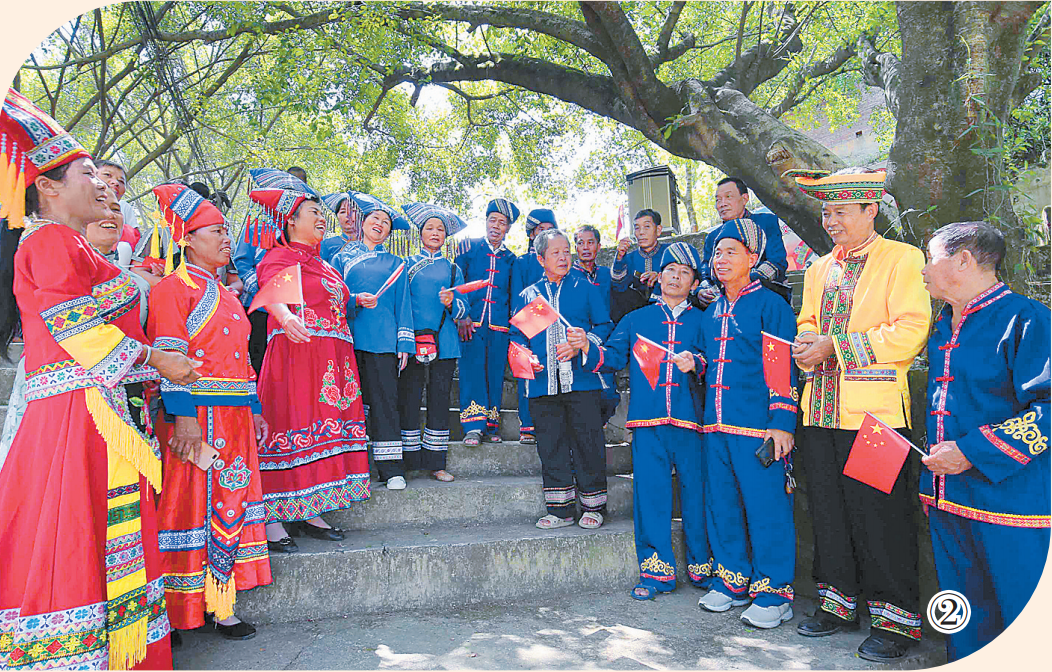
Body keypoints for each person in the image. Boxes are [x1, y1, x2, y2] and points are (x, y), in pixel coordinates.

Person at [0, 90, 200, 670]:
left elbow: (111, 297)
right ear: (49, 188)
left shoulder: (72, 246)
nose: (105, 184)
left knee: (94, 536)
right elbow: (77, 332)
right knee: (75, 535)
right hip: (72, 418)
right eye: (90, 173)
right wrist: (158, 361)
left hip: (91, 410)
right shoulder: (51, 241)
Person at [786, 167, 931, 661]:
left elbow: (911, 330)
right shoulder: (818, 267)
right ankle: (837, 603)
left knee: (882, 515)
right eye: (826, 212)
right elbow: (807, 317)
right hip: (820, 412)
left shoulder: (902, 259)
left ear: (871, 210)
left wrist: (837, 346)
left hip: (876, 416)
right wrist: (808, 339)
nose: (830, 221)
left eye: (841, 211)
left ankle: (897, 622)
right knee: (827, 511)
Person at [918, 221, 1050, 662]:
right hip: (947, 498)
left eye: (929, 258)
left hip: (1011, 505)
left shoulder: (1027, 318)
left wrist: (972, 452)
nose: (924, 271)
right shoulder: (944, 324)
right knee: (960, 615)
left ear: (963, 260)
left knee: (1022, 617)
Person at [146, 184, 271, 640]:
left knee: (231, 504)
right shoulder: (171, 290)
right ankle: (176, 610)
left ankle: (222, 603)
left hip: (235, 420)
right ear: (188, 238)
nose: (225, 239)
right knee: (184, 508)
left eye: (225, 230)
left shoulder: (230, 295)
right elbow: (168, 356)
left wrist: (255, 408)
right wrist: (183, 417)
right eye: (216, 231)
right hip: (196, 418)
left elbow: (244, 361)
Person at [578, 242, 709, 599]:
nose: (675, 277)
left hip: (692, 423)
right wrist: (586, 348)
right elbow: (612, 356)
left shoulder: (705, 320)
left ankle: (703, 569)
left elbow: (716, 362)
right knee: (651, 497)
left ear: (694, 282)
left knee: (697, 496)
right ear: (659, 276)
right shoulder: (636, 319)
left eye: (684, 273)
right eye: (670, 271)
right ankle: (656, 573)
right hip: (648, 424)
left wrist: (697, 363)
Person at [248, 187, 369, 553]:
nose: (322, 218)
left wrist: (355, 299)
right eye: (313, 211)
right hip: (297, 355)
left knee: (321, 429)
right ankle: (272, 518)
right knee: (289, 424)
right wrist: (284, 316)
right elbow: (273, 295)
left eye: (321, 212)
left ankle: (311, 509)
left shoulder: (325, 264)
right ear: (290, 220)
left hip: (333, 361)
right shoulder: (281, 257)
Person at [695, 219, 798, 630]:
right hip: (715, 427)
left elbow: (781, 371)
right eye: (717, 253)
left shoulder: (771, 306)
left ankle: (775, 592)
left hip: (759, 430)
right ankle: (733, 578)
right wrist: (695, 362)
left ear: (753, 259)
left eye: (731, 252)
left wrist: (782, 423)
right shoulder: (712, 309)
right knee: (722, 504)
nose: (721, 260)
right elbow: (706, 358)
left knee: (767, 508)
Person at [510, 229, 613, 529]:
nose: (564, 257)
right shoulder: (532, 296)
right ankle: (561, 510)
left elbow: (604, 326)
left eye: (566, 251)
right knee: (551, 445)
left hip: (582, 382)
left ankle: (594, 507)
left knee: (588, 442)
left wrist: (583, 344)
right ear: (541, 258)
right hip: (542, 386)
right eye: (556, 253)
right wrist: (527, 359)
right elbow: (518, 339)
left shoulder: (585, 288)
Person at [332, 193, 415, 490]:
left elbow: (404, 305)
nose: (379, 224)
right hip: (348, 341)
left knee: (385, 404)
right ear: (362, 222)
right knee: (349, 405)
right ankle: (348, 468)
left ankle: (391, 469)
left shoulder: (397, 263)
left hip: (383, 341)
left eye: (386, 223)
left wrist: (404, 344)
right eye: (375, 219)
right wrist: (353, 300)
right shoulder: (340, 258)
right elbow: (333, 297)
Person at [398, 203, 469, 482]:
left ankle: (437, 463)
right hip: (413, 341)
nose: (435, 232)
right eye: (430, 227)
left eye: (440, 229)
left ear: (446, 236)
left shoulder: (453, 269)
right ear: (420, 232)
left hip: (446, 342)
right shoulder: (405, 265)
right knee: (410, 398)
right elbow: (400, 303)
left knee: (440, 401)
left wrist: (454, 303)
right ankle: (409, 460)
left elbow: (465, 309)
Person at [454, 198, 519, 446]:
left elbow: (514, 292)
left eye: (502, 223)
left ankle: (491, 425)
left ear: (507, 229)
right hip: (471, 323)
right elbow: (457, 283)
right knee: (472, 372)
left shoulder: (511, 259)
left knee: (494, 374)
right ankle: (473, 426)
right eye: (492, 220)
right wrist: (462, 314)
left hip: (500, 326)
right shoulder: (469, 249)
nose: (496, 226)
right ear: (485, 222)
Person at [696, 177, 788, 307]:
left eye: (728, 197)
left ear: (744, 199)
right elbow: (706, 271)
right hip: (725, 302)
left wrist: (743, 283)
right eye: (718, 200)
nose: (722, 204)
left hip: (764, 297)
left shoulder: (766, 222)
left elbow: (777, 262)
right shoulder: (712, 237)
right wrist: (702, 291)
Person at [512, 208, 557, 445]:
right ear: (531, 234)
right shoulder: (522, 262)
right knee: (529, 369)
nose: (545, 234)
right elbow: (518, 295)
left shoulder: (560, 260)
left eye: (550, 230)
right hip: (531, 320)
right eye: (541, 230)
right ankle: (527, 425)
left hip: (557, 321)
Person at [571, 224, 619, 426]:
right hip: (573, 342)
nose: (585, 247)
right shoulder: (567, 276)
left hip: (603, 341)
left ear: (599, 246)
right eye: (580, 243)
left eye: (590, 242)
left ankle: (599, 425)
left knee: (608, 394)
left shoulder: (608, 275)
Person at [611, 208, 669, 320]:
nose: (641, 232)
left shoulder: (670, 252)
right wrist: (619, 258)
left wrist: (661, 277)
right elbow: (618, 287)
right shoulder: (629, 258)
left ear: (658, 230)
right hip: (637, 314)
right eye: (637, 228)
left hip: (667, 312)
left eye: (647, 226)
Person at [97, 159, 141, 249]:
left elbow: (136, 237)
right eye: (107, 175)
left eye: (121, 181)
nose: (116, 183)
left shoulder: (124, 206)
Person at [320, 192, 362, 265]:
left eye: (353, 211)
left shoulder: (369, 244)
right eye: (343, 212)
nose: (348, 215)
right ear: (337, 217)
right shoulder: (327, 244)